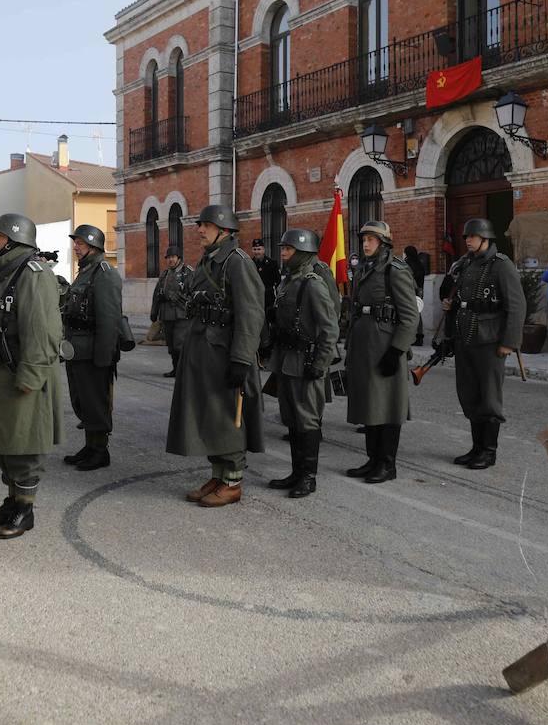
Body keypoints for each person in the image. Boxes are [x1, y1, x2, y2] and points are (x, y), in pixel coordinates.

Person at [0, 213, 64, 539]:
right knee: (7, 442)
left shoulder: (33, 274)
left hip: (18, 373)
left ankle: (25, 508)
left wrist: (32, 375)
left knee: (25, 445)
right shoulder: (1, 274)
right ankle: (11, 501)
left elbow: (43, 330)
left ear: (15, 240)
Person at [167, 203, 265, 508]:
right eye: (200, 225)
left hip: (225, 354)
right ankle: (219, 474)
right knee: (209, 416)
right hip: (203, 352)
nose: (199, 230)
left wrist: (241, 359)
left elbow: (251, 314)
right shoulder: (209, 261)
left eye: (205, 225)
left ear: (223, 230)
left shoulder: (238, 262)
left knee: (227, 417)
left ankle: (233, 480)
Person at [438, 217, 523, 470]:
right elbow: (460, 298)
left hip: (490, 340)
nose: (468, 240)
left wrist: (509, 342)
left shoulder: (501, 265)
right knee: (469, 394)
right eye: (466, 237)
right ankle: (476, 447)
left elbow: (517, 306)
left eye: (472, 237)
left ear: (486, 239)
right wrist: (450, 309)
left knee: (489, 396)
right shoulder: (464, 264)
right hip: (466, 337)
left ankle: (488, 451)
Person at [264, 229, 339, 499]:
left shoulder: (313, 283)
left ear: (304, 253)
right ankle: (296, 472)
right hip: (286, 358)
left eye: (288, 249)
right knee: (292, 418)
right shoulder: (289, 281)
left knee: (307, 419)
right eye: (283, 248)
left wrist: (320, 363)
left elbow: (330, 329)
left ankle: (308, 477)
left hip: (305, 360)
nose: (283, 253)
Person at [344, 221, 419, 483]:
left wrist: (397, 350)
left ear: (384, 243)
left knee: (387, 406)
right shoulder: (366, 269)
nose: (365, 244)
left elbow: (410, 317)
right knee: (370, 405)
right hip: (365, 347)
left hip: (386, 348)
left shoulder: (394, 271)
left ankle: (387, 465)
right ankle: (373, 460)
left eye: (371, 240)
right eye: (364, 239)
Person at [60, 224, 123, 471]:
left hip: (93, 350)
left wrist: (104, 357)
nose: (76, 247)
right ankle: (90, 445)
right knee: (82, 399)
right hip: (78, 348)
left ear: (94, 246)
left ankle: (100, 450)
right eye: (76, 243)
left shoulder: (104, 272)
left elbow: (109, 319)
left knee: (95, 401)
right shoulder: (85, 270)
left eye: (81, 244)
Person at [149, 245, 192, 377]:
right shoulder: (165, 274)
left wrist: (176, 297)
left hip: (181, 314)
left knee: (180, 344)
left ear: (178, 258)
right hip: (166, 314)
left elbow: (192, 293)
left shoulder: (188, 272)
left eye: (172, 257)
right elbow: (157, 294)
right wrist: (154, 312)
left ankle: (182, 370)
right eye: (168, 258)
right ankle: (175, 369)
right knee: (171, 345)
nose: (170, 260)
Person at [250, 238, 280, 328]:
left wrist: (278, 300)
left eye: (259, 249)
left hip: (268, 298)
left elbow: (278, 282)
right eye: (255, 249)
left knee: (269, 322)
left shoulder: (272, 263)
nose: (257, 252)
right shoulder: (249, 264)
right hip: (254, 298)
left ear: (263, 249)